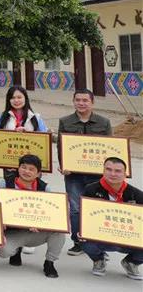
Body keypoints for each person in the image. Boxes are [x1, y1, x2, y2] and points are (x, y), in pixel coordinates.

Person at [57, 88, 112, 256]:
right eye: (78, 100)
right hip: (73, 174)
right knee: (75, 208)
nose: (81, 103)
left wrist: (109, 171)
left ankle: (98, 245)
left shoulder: (104, 122)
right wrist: (64, 165)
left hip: (97, 175)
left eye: (85, 100)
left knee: (97, 208)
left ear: (92, 102)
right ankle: (78, 242)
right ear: (73, 102)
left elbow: (111, 148)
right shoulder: (65, 121)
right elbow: (61, 146)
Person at [0, 154, 62, 278]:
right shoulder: (5, 183)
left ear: (38, 173)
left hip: (35, 232)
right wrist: (0, 224)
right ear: (18, 168)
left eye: (31, 169)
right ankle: (16, 251)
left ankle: (49, 262)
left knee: (59, 232)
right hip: (12, 231)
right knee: (2, 251)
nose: (26, 171)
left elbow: (54, 214)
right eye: (23, 167)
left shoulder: (45, 188)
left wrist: (42, 224)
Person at [81, 156, 142, 280]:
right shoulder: (91, 190)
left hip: (128, 237)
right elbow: (84, 215)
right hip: (102, 235)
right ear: (103, 170)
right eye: (108, 169)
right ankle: (99, 260)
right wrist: (81, 231)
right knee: (85, 242)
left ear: (125, 174)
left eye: (118, 171)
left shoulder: (137, 194)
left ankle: (131, 262)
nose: (113, 174)